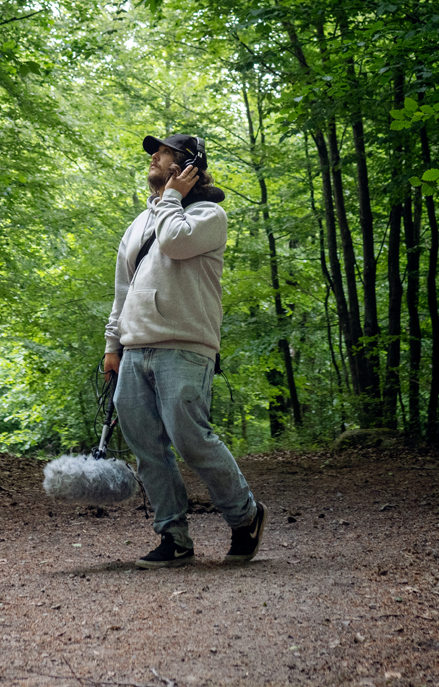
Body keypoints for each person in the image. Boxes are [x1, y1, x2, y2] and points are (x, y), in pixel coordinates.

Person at [102, 133, 266, 568]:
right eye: (154, 153)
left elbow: (174, 241)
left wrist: (172, 198)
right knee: (148, 450)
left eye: (164, 152)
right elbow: (124, 289)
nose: (154, 157)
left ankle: (246, 516)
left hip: (185, 347)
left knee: (193, 442)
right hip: (135, 348)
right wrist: (112, 344)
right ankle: (173, 539)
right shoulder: (139, 223)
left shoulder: (209, 214)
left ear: (188, 165)